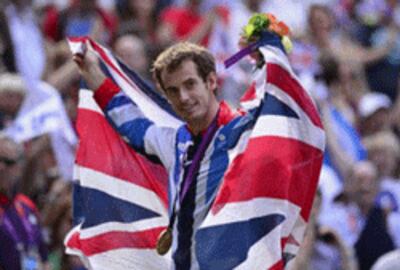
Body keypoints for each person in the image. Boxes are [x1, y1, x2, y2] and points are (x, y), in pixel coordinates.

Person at [72, 27, 324, 268]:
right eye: (173, 91)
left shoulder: (244, 132)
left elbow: (281, 106)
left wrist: (271, 53)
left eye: (190, 84)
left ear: (211, 81)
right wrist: (91, 71)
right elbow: (130, 123)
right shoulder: (174, 142)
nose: (183, 97)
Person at [0, 135, 49, 270]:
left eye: (8, 162)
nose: (1, 167)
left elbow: (43, 256)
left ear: (20, 167)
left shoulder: (26, 205)